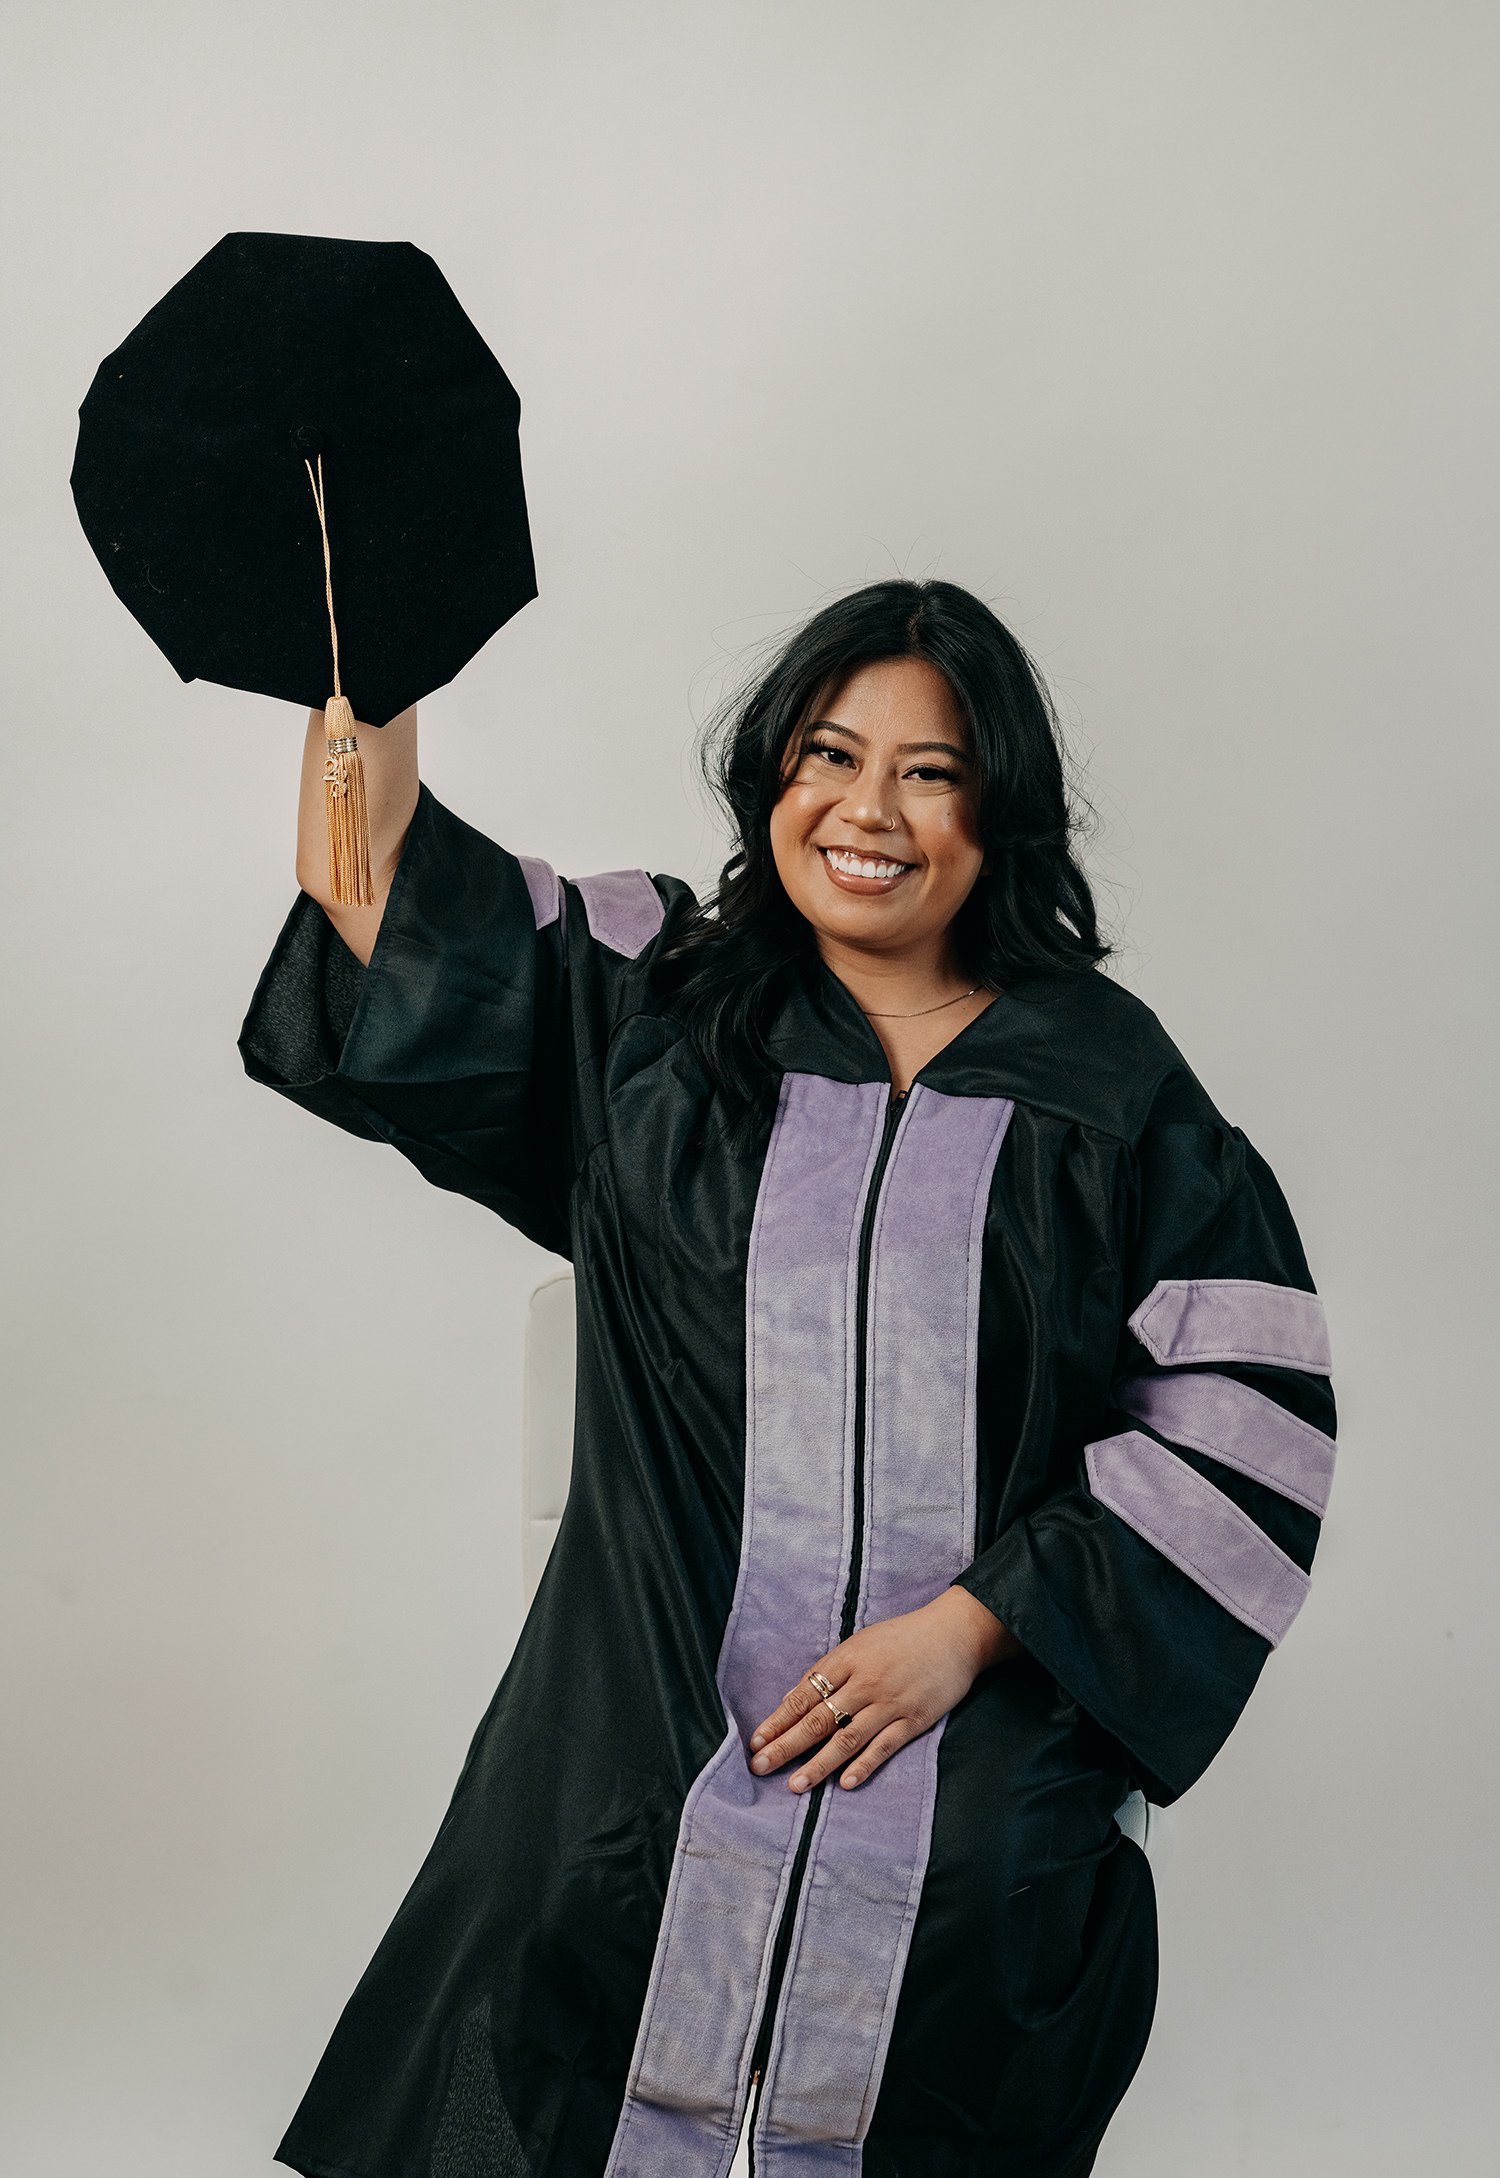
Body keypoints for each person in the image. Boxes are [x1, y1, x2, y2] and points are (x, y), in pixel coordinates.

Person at [240, 578, 1336, 2178]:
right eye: (828, 753)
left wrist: (971, 1630)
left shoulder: (1110, 1091)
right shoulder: (660, 1014)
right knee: (536, 2035)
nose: (866, 809)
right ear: (772, 774)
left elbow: (1246, 1417)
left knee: (952, 2037)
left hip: (964, 1798)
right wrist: (366, 669)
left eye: (930, 769)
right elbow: (380, 904)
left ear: (997, 809)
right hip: (628, 1756)